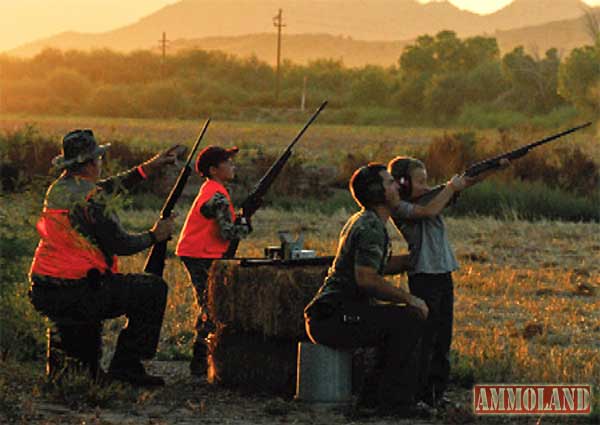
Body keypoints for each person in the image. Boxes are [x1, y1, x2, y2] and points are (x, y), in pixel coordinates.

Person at [29, 129, 178, 387]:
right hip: (79, 291)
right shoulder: (92, 197)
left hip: (45, 289)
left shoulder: (59, 189)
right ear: (88, 164)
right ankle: (127, 368)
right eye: (98, 158)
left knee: (79, 365)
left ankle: (69, 370)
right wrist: (155, 236)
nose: (101, 163)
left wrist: (148, 168)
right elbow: (121, 244)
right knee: (152, 290)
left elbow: (108, 187)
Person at [303, 163, 430, 417]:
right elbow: (367, 279)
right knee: (408, 320)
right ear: (378, 193)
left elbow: (375, 266)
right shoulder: (371, 227)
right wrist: (411, 299)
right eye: (390, 182)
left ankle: (372, 398)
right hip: (333, 317)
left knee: (394, 322)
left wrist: (413, 260)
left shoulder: (365, 220)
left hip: (334, 314)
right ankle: (394, 402)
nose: (397, 186)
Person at [387, 156, 506, 407]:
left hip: (442, 274)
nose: (427, 186)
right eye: (420, 181)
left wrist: (491, 170)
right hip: (424, 277)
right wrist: (450, 187)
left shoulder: (431, 197)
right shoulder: (401, 208)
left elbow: (464, 183)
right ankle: (420, 395)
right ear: (403, 184)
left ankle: (436, 394)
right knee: (427, 340)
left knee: (443, 340)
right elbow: (430, 210)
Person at [176, 145, 252, 376]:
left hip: (200, 252)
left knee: (210, 304)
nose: (232, 165)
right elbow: (226, 233)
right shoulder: (216, 195)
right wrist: (245, 225)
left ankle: (204, 358)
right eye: (227, 162)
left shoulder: (212, 189)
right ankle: (200, 360)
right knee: (211, 306)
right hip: (201, 253)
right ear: (214, 169)